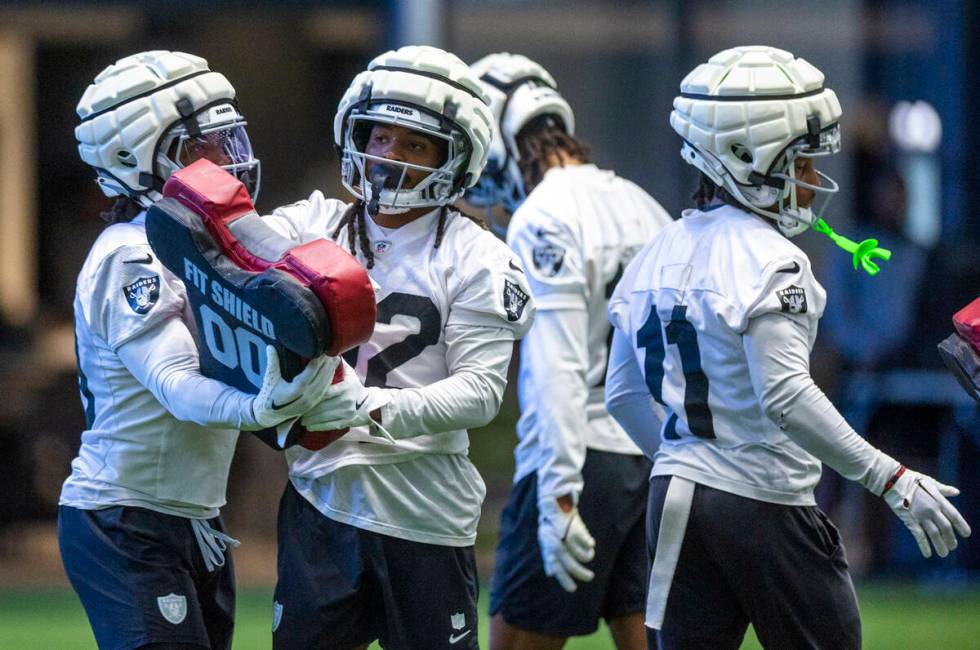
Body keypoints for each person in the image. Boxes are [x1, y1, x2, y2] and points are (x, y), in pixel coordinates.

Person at [604, 46, 972, 650]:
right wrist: (892, 477)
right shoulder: (773, 257)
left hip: (673, 499)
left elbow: (621, 394)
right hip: (764, 502)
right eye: (800, 162)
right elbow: (787, 397)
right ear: (744, 157)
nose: (812, 181)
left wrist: (688, 463)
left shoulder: (653, 250)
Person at [259, 45, 535, 649]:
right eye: (381, 136)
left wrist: (369, 407)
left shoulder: (478, 255)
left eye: (415, 145)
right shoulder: (314, 223)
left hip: (425, 513)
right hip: (320, 497)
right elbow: (234, 258)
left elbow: (480, 392)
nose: (389, 156)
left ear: (452, 159)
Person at [61, 50, 334, 650]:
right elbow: (176, 384)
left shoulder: (206, 244)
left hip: (193, 515)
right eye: (202, 147)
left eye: (229, 139)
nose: (228, 162)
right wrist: (260, 408)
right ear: (135, 160)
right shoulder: (128, 254)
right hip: (126, 516)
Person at [465, 53, 672, 650]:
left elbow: (556, 366)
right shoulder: (641, 202)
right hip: (651, 456)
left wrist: (557, 495)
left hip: (578, 461)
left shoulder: (542, 216)